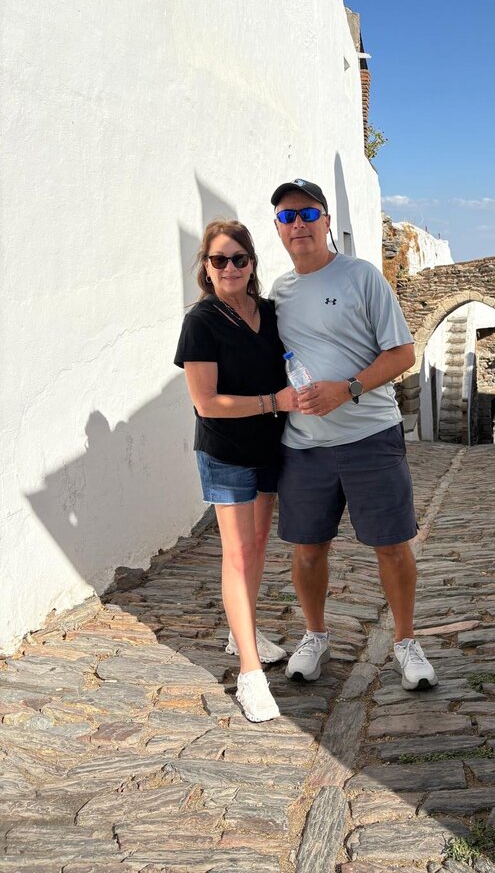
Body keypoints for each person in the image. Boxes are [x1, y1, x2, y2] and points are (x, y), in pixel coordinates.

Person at [270, 178, 438, 691]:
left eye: (308, 213)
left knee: (391, 546)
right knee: (307, 549)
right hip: (304, 445)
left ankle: (406, 643)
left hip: (370, 438)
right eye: (287, 216)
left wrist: (347, 389)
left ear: (325, 221)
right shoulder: (278, 292)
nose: (298, 224)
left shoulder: (362, 277)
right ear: (278, 228)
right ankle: (315, 636)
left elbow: (403, 353)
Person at [174, 220, 298, 723]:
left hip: (270, 446)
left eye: (238, 258)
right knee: (239, 553)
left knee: (258, 545)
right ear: (206, 267)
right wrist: (274, 401)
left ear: (252, 263)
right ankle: (250, 673)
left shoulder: (269, 312)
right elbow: (206, 403)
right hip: (226, 451)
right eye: (219, 259)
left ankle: (240, 631)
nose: (229, 267)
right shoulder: (202, 321)